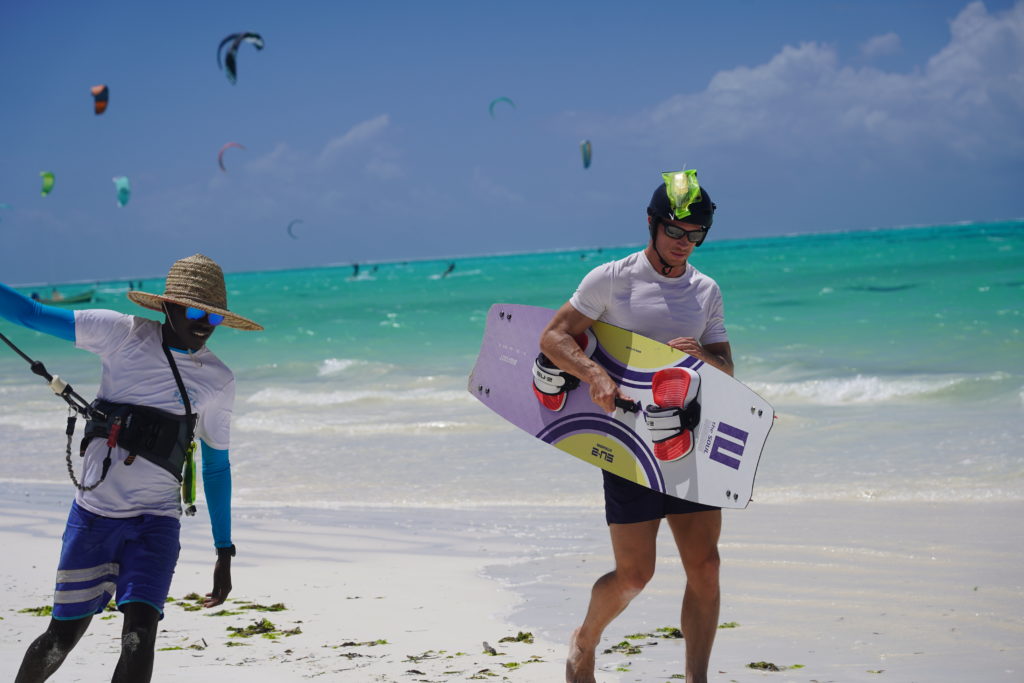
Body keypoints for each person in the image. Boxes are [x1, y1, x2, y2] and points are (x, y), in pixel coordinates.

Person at [1, 254, 263, 683]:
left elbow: (216, 467)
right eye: (194, 312)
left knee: (139, 637)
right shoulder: (120, 334)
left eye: (212, 316)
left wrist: (224, 550)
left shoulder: (218, 379)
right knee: (60, 639)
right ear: (167, 307)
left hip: (155, 523)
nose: (203, 324)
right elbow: (30, 313)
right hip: (93, 518)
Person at [539, 170, 733, 683]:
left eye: (696, 235)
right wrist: (592, 373)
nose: (685, 244)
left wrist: (705, 359)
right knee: (634, 575)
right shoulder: (611, 279)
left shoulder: (706, 290)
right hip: (627, 440)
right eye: (675, 232)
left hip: (688, 438)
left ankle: (698, 680)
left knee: (706, 569)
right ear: (651, 224)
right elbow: (554, 337)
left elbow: (727, 369)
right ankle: (584, 642)